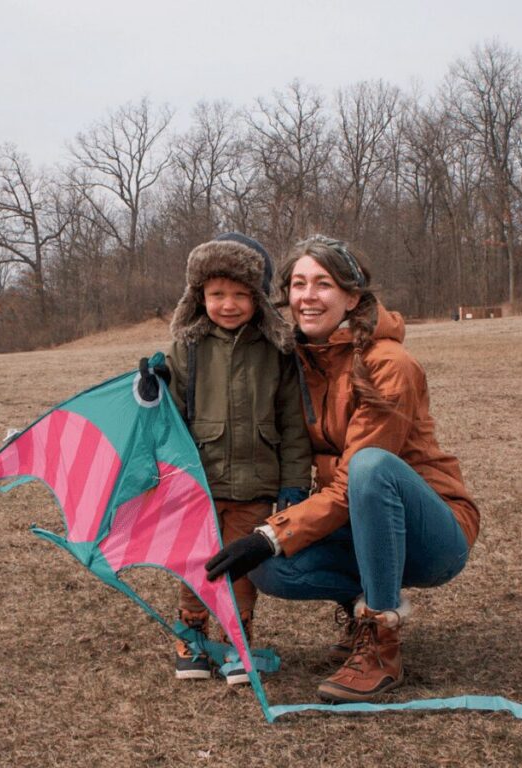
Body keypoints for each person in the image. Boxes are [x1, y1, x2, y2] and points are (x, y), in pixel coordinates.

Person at [206, 234, 480, 703]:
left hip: (433, 536)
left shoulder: (390, 364)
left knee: (371, 467)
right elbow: (230, 367)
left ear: (352, 297)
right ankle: (361, 607)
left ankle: (381, 642)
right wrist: (171, 376)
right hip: (358, 521)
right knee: (270, 569)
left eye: (323, 284)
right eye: (297, 284)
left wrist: (269, 532)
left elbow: (357, 478)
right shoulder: (299, 360)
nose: (307, 296)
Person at [151, 232, 312, 685]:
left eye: (241, 294)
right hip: (199, 483)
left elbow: (294, 425)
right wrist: (156, 385)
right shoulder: (188, 348)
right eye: (217, 293)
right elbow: (170, 415)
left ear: (258, 298)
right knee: (197, 561)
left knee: (243, 565)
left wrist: (293, 485)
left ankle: (238, 637)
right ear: (198, 295)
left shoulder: (277, 351)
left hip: (256, 485)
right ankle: (192, 634)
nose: (228, 304)